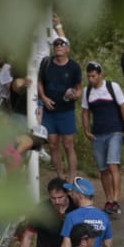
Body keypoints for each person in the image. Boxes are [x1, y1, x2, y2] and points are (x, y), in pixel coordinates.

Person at [80, 61, 124, 215]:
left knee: (112, 164)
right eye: (89, 76)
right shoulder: (87, 91)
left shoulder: (112, 87)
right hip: (98, 134)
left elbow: (123, 107)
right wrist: (86, 130)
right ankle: (109, 200)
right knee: (103, 169)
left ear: (100, 75)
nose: (91, 79)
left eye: (93, 76)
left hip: (114, 131)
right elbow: (85, 112)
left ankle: (115, 200)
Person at [38, 37, 84, 182]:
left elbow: (79, 88)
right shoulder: (46, 63)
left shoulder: (74, 67)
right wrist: (44, 98)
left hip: (66, 111)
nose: (58, 46)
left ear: (67, 48)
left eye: (61, 44)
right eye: (56, 44)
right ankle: (59, 176)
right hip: (49, 111)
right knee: (52, 144)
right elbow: (39, 82)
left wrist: (75, 96)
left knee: (69, 144)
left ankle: (71, 178)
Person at [60, 178, 115, 247]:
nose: (71, 196)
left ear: (80, 195)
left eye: (73, 192)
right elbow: (108, 244)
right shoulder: (104, 215)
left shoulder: (71, 216)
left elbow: (66, 246)